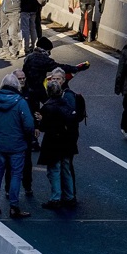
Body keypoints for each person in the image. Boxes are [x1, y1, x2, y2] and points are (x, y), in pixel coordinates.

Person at [0, 73, 34, 218]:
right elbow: (29, 125)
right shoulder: (20, 102)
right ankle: (14, 206)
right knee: (16, 175)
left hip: (0, 144)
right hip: (17, 145)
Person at [39, 70, 83, 209]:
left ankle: (55, 198)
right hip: (67, 141)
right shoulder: (67, 101)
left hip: (53, 142)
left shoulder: (48, 107)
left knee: (54, 169)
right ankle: (69, 196)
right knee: (66, 168)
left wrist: (41, 120)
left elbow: (44, 127)